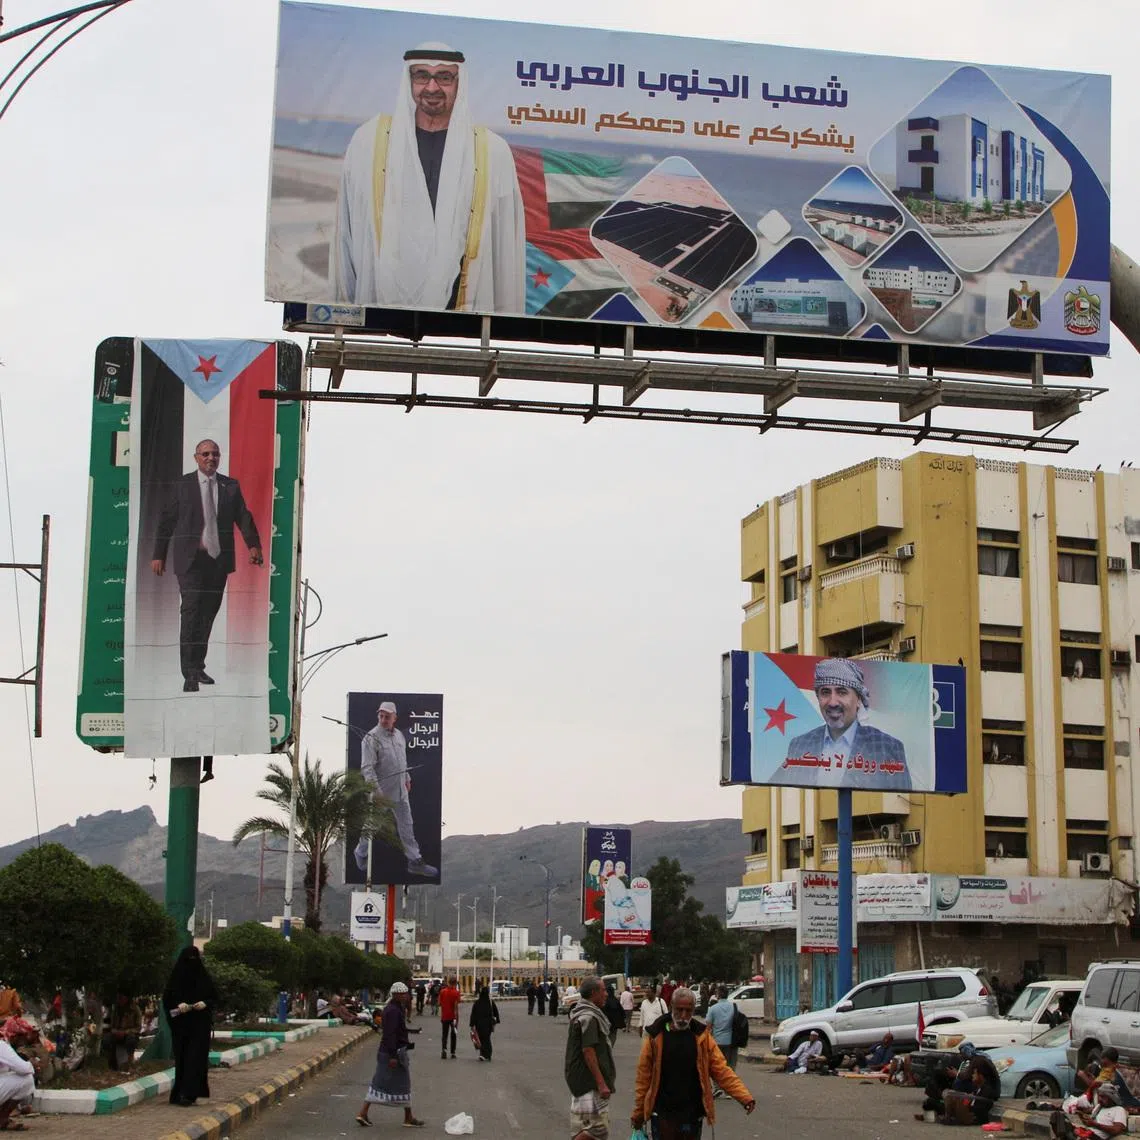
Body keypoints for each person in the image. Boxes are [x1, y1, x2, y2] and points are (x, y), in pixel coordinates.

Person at [331, 43, 526, 313]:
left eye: (444, 77)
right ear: (408, 81)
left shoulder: (491, 152)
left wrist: (503, 330)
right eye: (422, 75)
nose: (432, 88)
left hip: (463, 320)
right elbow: (346, 235)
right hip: (379, 317)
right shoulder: (370, 142)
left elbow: (506, 251)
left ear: (459, 82)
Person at [150, 439, 263, 693]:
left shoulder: (229, 486)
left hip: (217, 561)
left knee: (207, 614)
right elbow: (167, 520)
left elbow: (243, 517)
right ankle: (188, 672)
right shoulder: (182, 485)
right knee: (191, 612)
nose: (210, 458)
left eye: (215, 454)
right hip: (190, 560)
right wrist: (159, 554)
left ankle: (198, 666)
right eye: (205, 454)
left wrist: (253, 545)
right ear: (196, 458)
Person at [632, 985, 755, 1139]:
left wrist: (744, 1097)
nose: (683, 1016)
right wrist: (638, 1112)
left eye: (688, 1011)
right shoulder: (655, 1036)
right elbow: (644, 1077)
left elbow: (721, 1070)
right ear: (671, 1007)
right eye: (679, 1010)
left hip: (692, 1114)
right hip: (663, 1113)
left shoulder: (702, 1038)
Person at [782, 658, 910, 790]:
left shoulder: (887, 748)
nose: (833, 702)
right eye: (825, 692)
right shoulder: (799, 746)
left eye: (842, 692)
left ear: (859, 699)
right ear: (818, 697)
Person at [353, 701, 438, 878]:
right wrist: (376, 791)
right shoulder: (371, 738)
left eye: (387, 716)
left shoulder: (399, 735)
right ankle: (360, 853)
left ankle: (414, 860)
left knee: (407, 824)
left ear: (394, 718)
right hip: (381, 791)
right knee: (372, 825)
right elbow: (367, 768)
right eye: (381, 716)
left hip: (400, 790)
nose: (383, 719)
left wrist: (407, 777)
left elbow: (402, 760)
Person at [356, 982, 424, 1128]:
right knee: (385, 1083)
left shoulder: (395, 1008)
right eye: (403, 994)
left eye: (406, 993)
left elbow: (398, 1030)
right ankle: (363, 1113)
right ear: (396, 995)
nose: (406, 996)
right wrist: (393, 1056)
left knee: (392, 1084)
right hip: (392, 1053)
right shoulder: (393, 1010)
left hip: (393, 1051)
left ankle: (407, 1116)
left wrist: (411, 1032)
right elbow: (390, 1034)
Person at [162, 945, 218, 1107]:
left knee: (196, 1058)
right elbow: (168, 1000)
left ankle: (190, 1093)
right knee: (183, 1059)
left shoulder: (204, 978)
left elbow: (213, 997)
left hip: (200, 1025)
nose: (191, 964)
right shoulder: (175, 980)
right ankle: (180, 1092)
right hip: (181, 1026)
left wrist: (204, 1003)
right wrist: (179, 1005)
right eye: (189, 960)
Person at [565, 977, 617, 1140]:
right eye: (603, 990)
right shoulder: (589, 1017)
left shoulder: (581, 1012)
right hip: (589, 1082)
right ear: (594, 993)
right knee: (598, 1129)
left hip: (581, 1080)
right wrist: (601, 1083)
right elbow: (588, 1050)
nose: (606, 994)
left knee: (582, 1127)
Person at [1052, 1081, 1129, 1140]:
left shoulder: (1119, 1110)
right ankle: (1066, 1137)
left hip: (1095, 1137)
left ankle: (1067, 1137)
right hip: (1086, 1132)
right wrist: (1082, 1115)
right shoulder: (1099, 1107)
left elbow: (1116, 1130)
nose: (1099, 1099)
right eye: (1099, 1096)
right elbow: (1090, 1122)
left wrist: (1095, 1124)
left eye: (1103, 1097)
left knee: (1069, 1132)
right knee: (1057, 1116)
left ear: (1111, 1098)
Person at [0, 1019, 38, 1132]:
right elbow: (24, 1069)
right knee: (27, 1080)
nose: (25, 1041)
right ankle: (2, 1119)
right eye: (23, 1037)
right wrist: (33, 1064)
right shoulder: (2, 1045)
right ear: (16, 1036)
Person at [705, 985, 739, 1091]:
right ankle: (728, 1089)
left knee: (716, 1066)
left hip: (717, 1042)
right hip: (732, 1041)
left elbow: (708, 1028)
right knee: (730, 1067)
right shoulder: (734, 1007)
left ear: (718, 995)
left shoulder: (713, 1009)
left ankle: (717, 1087)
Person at [104, 993, 143, 1072]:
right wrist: (115, 1031)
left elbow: (138, 1027)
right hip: (117, 1033)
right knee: (107, 1039)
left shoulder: (135, 1009)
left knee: (131, 1040)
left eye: (122, 997)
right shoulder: (116, 1009)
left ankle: (130, 1062)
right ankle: (111, 1063)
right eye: (119, 998)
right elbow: (112, 1025)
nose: (120, 1000)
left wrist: (125, 1032)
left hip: (129, 1034)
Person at [468, 984, 500, 1062]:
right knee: (487, 1039)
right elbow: (496, 1012)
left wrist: (472, 1024)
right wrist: (496, 1021)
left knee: (481, 1039)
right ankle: (487, 1054)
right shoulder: (490, 1002)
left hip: (479, 1024)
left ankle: (483, 1054)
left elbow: (473, 1014)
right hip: (488, 1025)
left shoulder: (477, 1003)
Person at [439, 977, 461, 1059]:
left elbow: (439, 1003)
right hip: (453, 1017)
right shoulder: (456, 993)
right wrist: (456, 1018)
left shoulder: (442, 991)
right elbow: (456, 1006)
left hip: (444, 1016)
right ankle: (453, 1052)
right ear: (455, 983)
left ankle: (444, 1049)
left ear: (448, 982)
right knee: (453, 1034)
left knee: (444, 1034)